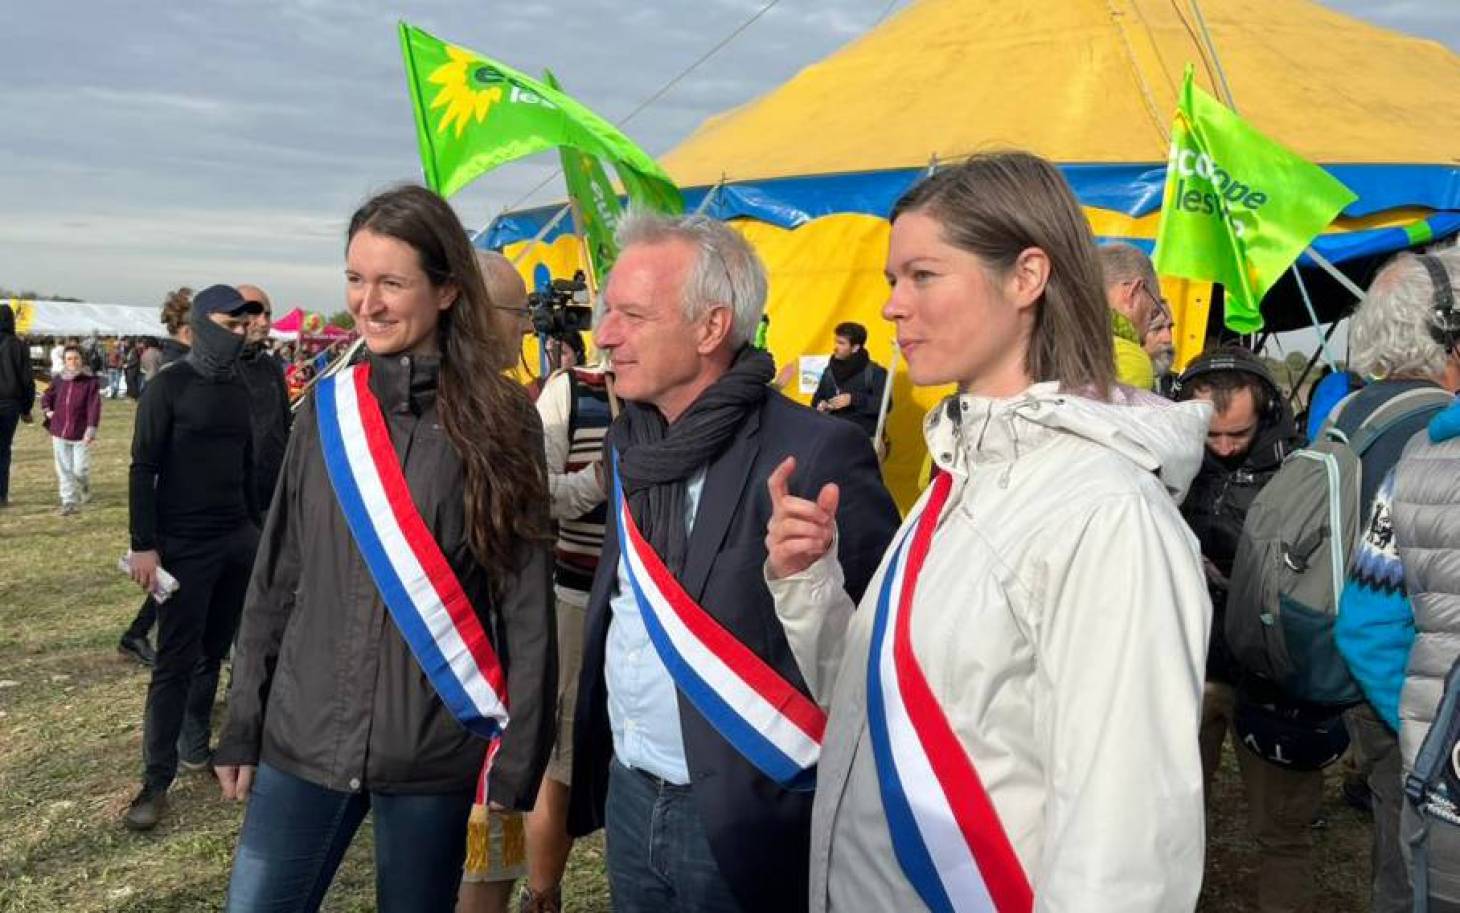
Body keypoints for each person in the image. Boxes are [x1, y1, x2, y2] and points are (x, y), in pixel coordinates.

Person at [765, 152, 1212, 912]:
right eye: (890, 282)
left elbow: (1124, 851)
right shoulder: (960, 472)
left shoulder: (1106, 513)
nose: (892, 307)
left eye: (923, 276)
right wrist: (811, 584)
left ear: (1026, 277)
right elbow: (883, 710)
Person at [214, 185, 555, 913]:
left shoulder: (503, 423)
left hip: (435, 752)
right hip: (302, 739)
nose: (367, 302)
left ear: (447, 292)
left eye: (392, 282)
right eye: (355, 278)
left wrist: (516, 765)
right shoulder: (326, 412)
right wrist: (242, 720)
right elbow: (275, 578)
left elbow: (525, 606)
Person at [569, 211, 900, 913]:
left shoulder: (817, 453)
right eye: (608, 312)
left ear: (711, 328)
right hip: (632, 791)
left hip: (744, 814)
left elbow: (877, 666)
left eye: (631, 314)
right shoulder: (635, 444)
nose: (605, 334)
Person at [1175, 347, 1323, 913]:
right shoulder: (1171, 464)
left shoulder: (1302, 472)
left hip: (1272, 677)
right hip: (1190, 665)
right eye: (1210, 435)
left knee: (1282, 831)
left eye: (1237, 434)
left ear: (1268, 410)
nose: (1224, 447)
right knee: (1175, 816)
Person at [1336, 249, 1460, 913]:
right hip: (1416, 723)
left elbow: (1367, 621)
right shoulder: (1426, 426)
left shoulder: (1354, 411)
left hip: (1400, 722)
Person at [122, 284, 262, 832]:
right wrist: (144, 545)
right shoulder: (169, 386)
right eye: (232, 324)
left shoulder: (240, 388)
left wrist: (255, 528)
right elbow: (142, 468)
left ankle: (195, 747)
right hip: (182, 546)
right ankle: (155, 783)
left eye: (245, 325)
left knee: (214, 651)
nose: (243, 333)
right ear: (202, 324)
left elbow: (247, 463)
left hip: (235, 540)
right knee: (175, 663)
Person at [118, 289, 198, 667]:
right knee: (172, 577)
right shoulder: (174, 373)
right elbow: (147, 456)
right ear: (186, 330)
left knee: (173, 577)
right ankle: (137, 634)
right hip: (172, 490)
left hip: (177, 490)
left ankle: (136, 634)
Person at [235, 284, 291, 509]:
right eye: (255, 312)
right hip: (230, 494)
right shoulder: (214, 367)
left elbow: (283, 424)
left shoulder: (271, 366)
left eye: (267, 314)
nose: (264, 321)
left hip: (270, 489)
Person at [41, 344, 103, 516]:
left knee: (79, 469)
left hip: (81, 433)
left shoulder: (90, 382)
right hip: (59, 431)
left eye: (76, 358)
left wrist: (91, 429)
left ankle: (84, 487)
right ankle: (69, 501)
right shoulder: (59, 380)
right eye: (69, 359)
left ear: (82, 359)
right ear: (64, 361)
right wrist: (47, 410)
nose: (73, 362)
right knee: (63, 468)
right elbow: (47, 396)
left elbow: (94, 407)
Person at [1099, 241, 1166, 390]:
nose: (1145, 335)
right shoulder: (1130, 360)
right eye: (1153, 313)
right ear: (1134, 292)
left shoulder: (1048, 339)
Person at [811, 321, 889, 437]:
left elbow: (885, 405)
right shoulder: (830, 370)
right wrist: (821, 404)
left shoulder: (875, 372)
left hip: (862, 439)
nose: (835, 348)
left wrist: (852, 399)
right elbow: (817, 398)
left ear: (855, 348)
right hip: (832, 437)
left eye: (841, 343)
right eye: (836, 342)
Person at [0, 304, 36, 507]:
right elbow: (26, 379)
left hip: (9, 401)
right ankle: (1, 495)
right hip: (10, 403)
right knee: (3, 450)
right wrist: (26, 408)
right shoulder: (18, 346)